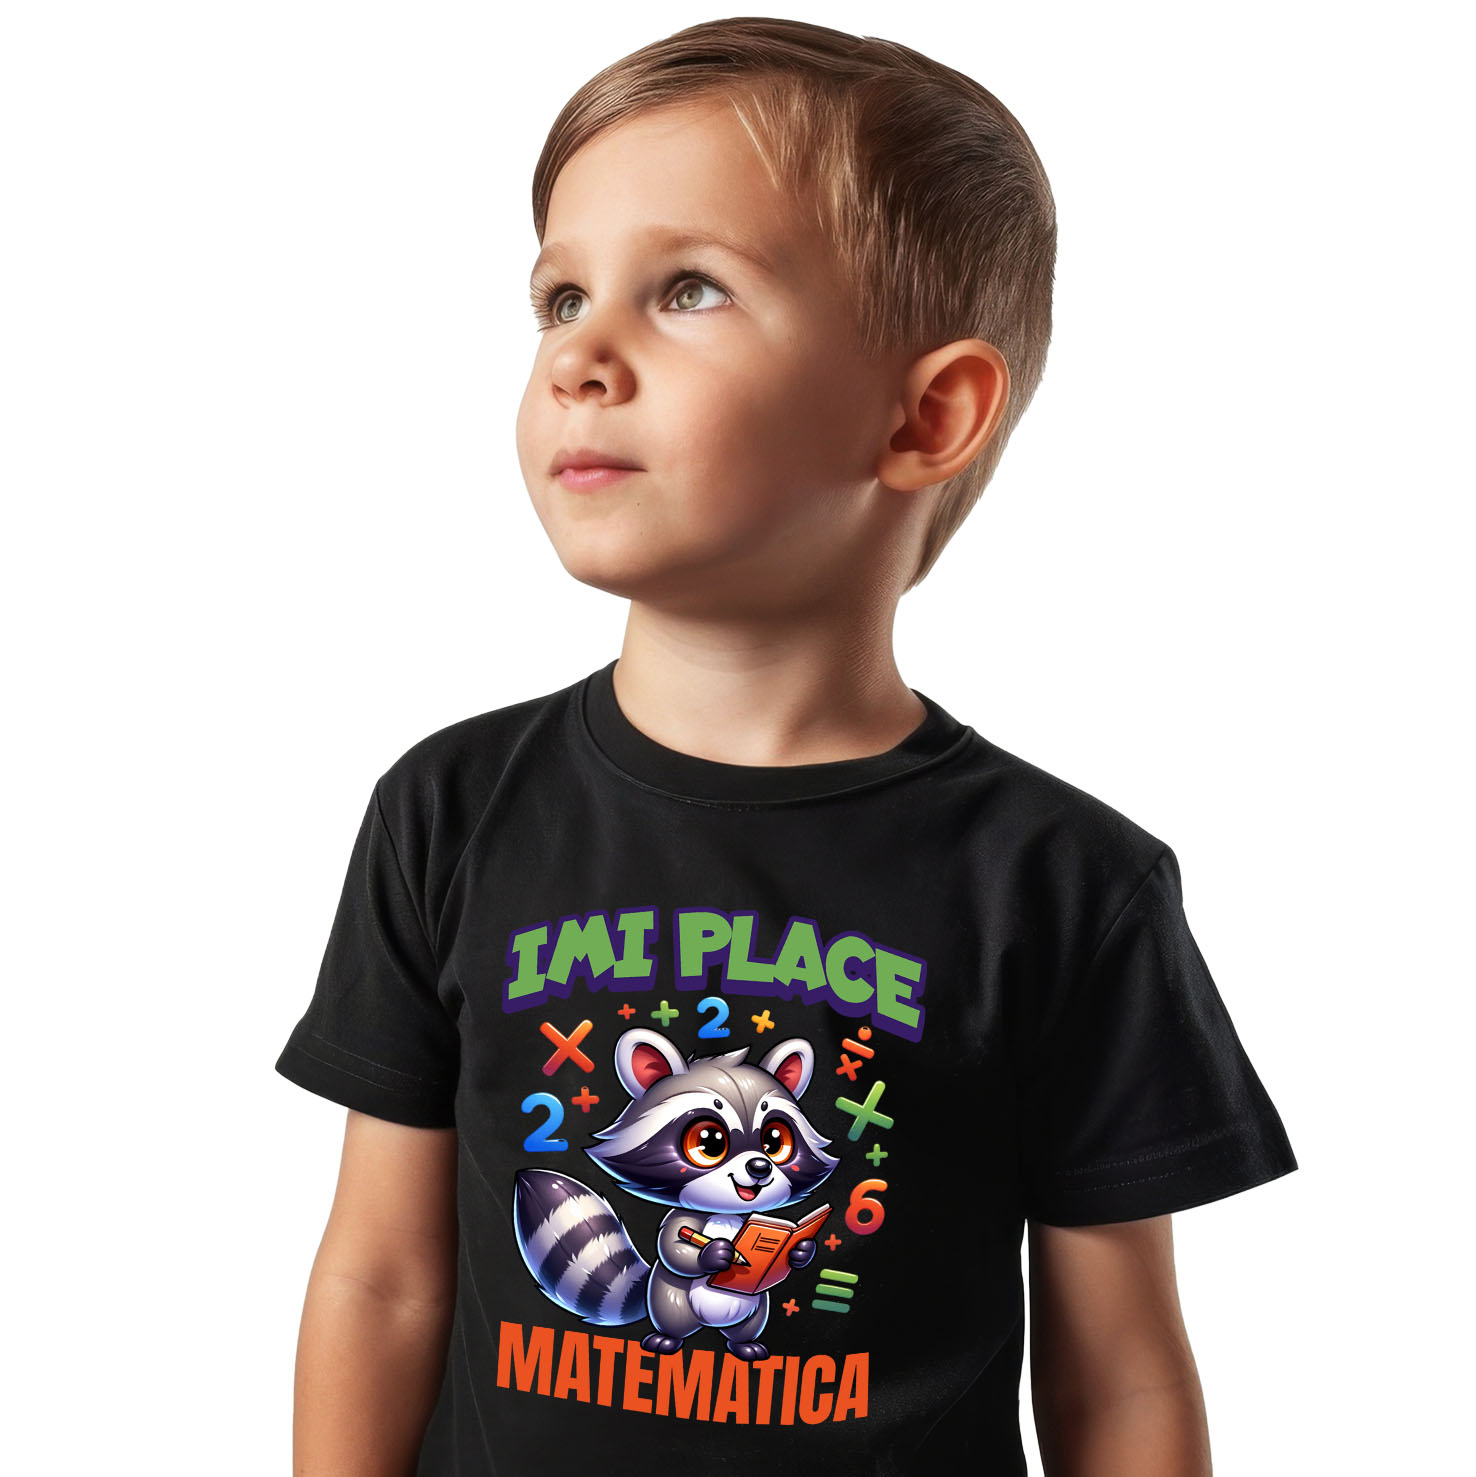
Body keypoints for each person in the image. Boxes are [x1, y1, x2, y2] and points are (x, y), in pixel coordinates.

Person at [275, 17, 1297, 1476]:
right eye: (561, 296)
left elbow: (1122, 1379)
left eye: (687, 288)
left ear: (926, 414)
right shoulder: (450, 812)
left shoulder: (1067, 887)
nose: (579, 358)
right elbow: (380, 1280)